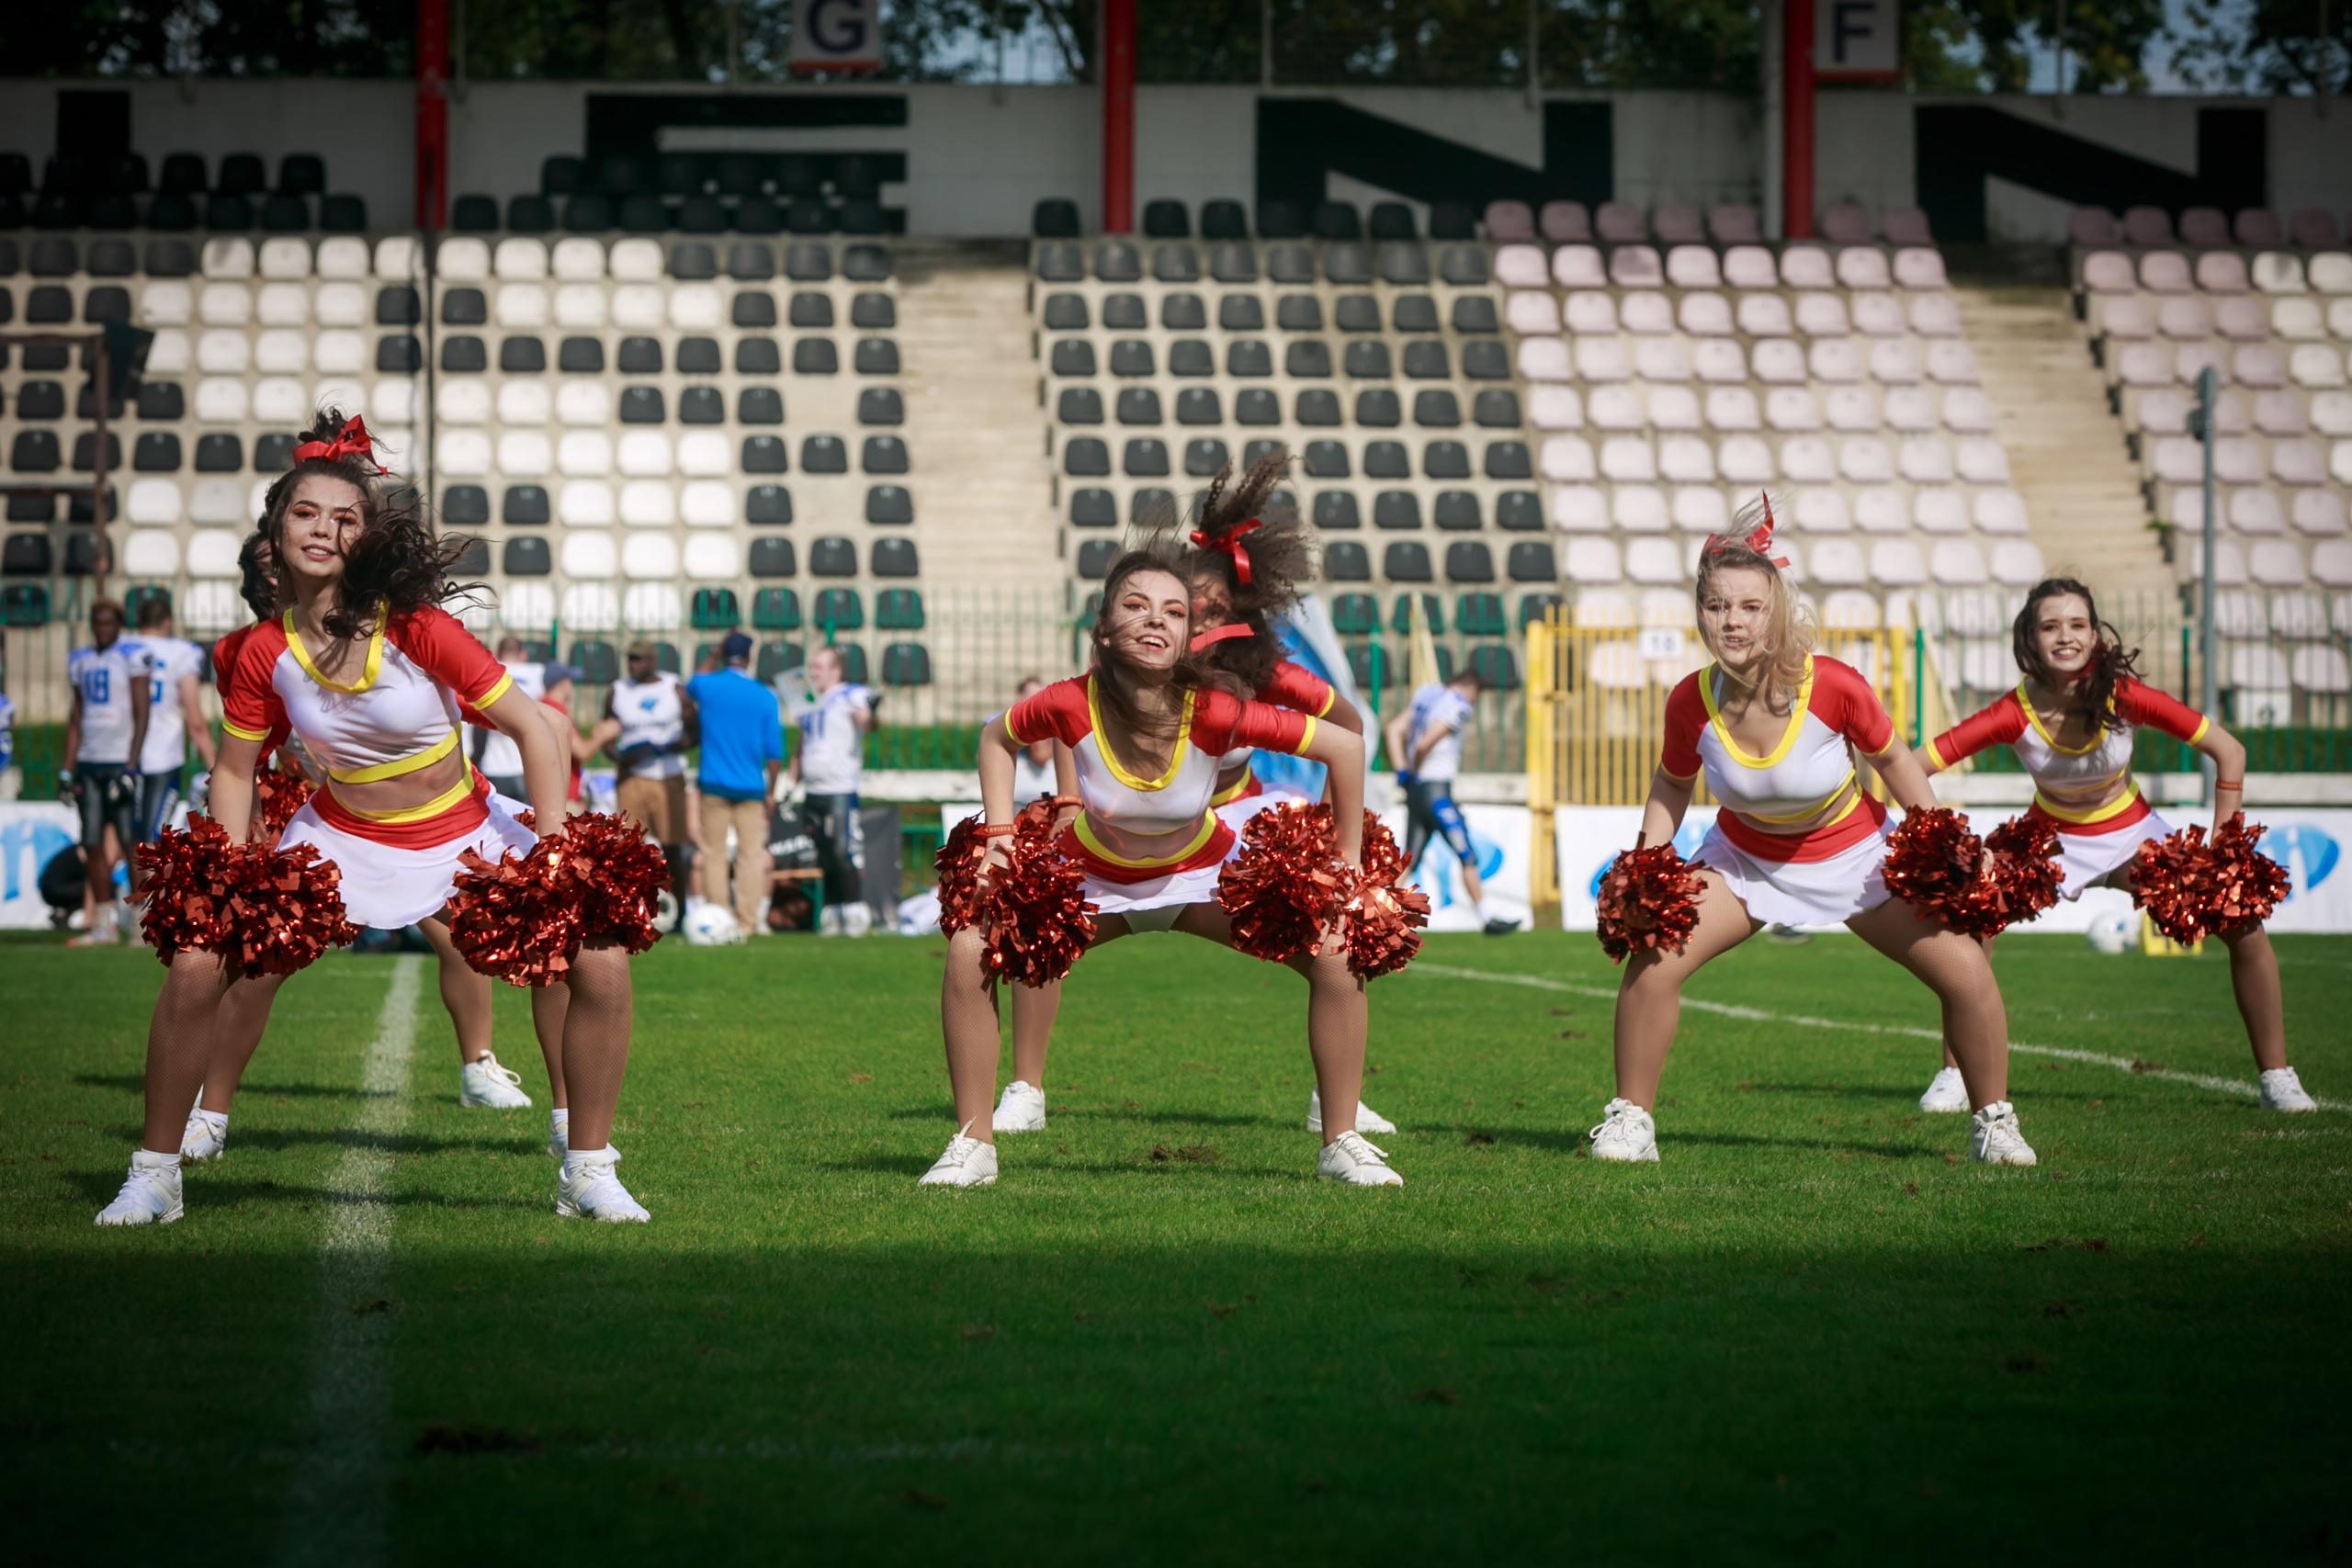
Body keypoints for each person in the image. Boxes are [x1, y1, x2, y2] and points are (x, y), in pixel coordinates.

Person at [96, 409, 648, 1225]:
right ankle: (157, 1172)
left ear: (366, 538)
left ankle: (587, 1169)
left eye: (345, 517)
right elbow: (234, 769)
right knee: (198, 964)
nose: (323, 529)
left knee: (599, 958)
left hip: (460, 828)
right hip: (337, 836)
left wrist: (557, 849)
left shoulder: (418, 628)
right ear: (276, 530)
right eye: (305, 513)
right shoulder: (259, 652)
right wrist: (231, 858)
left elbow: (537, 726)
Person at [927, 455, 1396, 1190]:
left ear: (1190, 640)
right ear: (1104, 629)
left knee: (1336, 950)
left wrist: (1344, 861)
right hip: (1096, 875)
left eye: (1176, 612)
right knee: (969, 948)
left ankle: (1339, 1136)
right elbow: (996, 736)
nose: (1159, 620)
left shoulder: (1215, 707)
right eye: (1137, 606)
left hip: (1199, 875)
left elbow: (1345, 740)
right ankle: (973, 1141)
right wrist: (995, 839)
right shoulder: (1069, 701)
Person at [1590, 495, 2037, 1168]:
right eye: (1716, 606)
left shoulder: (1832, 684)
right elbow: (1672, 780)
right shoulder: (1690, 698)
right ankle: (1630, 1120)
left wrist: (1939, 837)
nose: (1731, 620)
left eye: (1749, 606)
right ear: (1699, 611)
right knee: (1652, 962)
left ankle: (1994, 1122)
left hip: (1855, 858)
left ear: (1776, 610)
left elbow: (1892, 759)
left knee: (1966, 971)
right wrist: (1648, 863)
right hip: (1746, 862)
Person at [1911, 577, 2316, 1113]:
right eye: (2050, 626)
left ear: (2095, 634)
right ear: (2029, 639)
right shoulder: (2014, 711)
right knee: (1971, 921)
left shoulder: (2123, 696)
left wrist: (2225, 841)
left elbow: (2229, 751)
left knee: (2241, 922)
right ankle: (1955, 1074)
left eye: (2077, 624)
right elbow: (1915, 766)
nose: (2065, 636)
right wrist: (1960, 847)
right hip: (2051, 841)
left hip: (2131, 837)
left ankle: (2276, 1077)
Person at [1386, 668, 1518, 936]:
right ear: (1471, 690)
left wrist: (1403, 771)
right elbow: (1424, 745)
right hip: (1436, 792)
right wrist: (1414, 769)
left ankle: (1380, 910)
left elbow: (1393, 729)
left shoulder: (1427, 696)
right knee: (1466, 853)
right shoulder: (1457, 705)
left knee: (1410, 858)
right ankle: (1486, 918)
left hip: (1417, 792)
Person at [62, 599, 149, 945]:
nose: (103, 629)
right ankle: (103, 921)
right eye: (97, 623)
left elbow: (142, 713)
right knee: (92, 841)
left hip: (119, 762)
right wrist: (66, 770)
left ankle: (139, 919)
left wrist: (131, 765)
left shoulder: (130, 658)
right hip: (88, 761)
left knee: (131, 841)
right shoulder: (80, 661)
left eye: (109, 622)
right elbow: (75, 717)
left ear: (119, 625)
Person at [686, 631, 782, 937]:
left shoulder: (708, 686)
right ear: (750, 657)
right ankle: (747, 923)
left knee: (713, 855)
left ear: (725, 654)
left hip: (713, 784)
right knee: (750, 855)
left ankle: (718, 918)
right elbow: (775, 753)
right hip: (751, 787)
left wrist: (713, 653)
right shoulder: (765, 696)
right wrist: (771, 790)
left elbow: (692, 681)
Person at [605, 639, 697, 919]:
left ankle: (679, 911)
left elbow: (695, 734)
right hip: (631, 776)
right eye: (631, 659)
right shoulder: (617, 691)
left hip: (667, 774)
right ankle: (630, 912)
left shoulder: (674, 689)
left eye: (640, 659)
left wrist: (664, 748)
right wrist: (621, 758)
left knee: (672, 845)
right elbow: (605, 734)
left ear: (653, 661)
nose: (634, 664)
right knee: (628, 848)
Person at [794, 643, 876, 935]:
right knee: (822, 851)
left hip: (839, 787)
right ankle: (832, 908)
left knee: (843, 848)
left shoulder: (848, 693)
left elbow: (865, 718)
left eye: (818, 666)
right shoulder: (807, 698)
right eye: (812, 666)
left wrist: (867, 716)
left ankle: (853, 908)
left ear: (835, 669)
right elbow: (802, 740)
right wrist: (794, 775)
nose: (812, 672)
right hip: (812, 788)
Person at [127, 596, 213, 854]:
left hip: (124, 754)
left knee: (122, 837)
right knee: (152, 840)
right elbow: (194, 719)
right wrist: (215, 768)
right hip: (162, 756)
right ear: (167, 623)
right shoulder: (181, 652)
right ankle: (144, 896)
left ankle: (98, 896)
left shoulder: (124, 647)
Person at [473, 634, 546, 801]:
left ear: (497, 654)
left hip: (493, 766)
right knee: (527, 824)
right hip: (525, 767)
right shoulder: (536, 673)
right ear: (524, 655)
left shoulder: (489, 671)